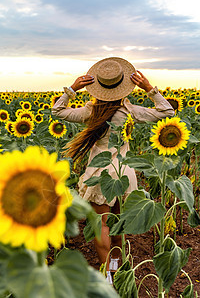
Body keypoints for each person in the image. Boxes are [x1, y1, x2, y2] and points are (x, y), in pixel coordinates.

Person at [52, 57, 174, 283]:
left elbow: (58, 112)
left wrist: (71, 89)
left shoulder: (90, 111)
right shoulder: (129, 111)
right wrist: (149, 89)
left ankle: (106, 276)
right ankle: (116, 268)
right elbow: (167, 112)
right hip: (123, 174)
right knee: (119, 225)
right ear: (122, 86)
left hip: (100, 175)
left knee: (102, 227)